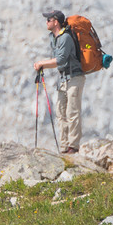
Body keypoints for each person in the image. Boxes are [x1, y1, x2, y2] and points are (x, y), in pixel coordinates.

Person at [33, 8, 83, 153]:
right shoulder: (54, 38)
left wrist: (42, 63)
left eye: (48, 19)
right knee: (61, 113)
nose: (46, 22)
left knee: (72, 112)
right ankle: (64, 147)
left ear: (56, 22)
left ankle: (73, 147)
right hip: (64, 79)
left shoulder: (65, 37)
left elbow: (61, 60)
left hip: (75, 78)